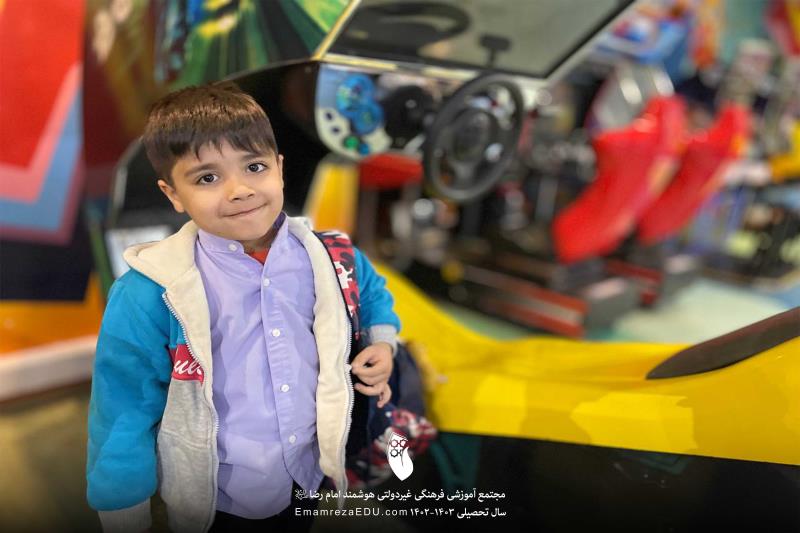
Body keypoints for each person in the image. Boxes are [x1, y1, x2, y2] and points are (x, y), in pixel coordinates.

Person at [86, 83, 401, 533]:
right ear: (173, 194)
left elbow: (371, 292)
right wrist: (123, 511)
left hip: (307, 477)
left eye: (254, 167)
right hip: (216, 499)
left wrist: (382, 342)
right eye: (207, 178)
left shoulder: (331, 255)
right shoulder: (150, 292)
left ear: (280, 169)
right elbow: (123, 407)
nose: (239, 190)